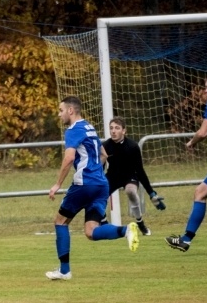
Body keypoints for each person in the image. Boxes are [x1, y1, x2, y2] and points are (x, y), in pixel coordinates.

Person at [46, 96, 140, 280]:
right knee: (90, 231)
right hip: (101, 185)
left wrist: (58, 184)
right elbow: (103, 154)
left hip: (84, 185)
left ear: (70, 111)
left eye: (60, 110)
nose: (59, 114)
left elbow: (69, 158)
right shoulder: (89, 127)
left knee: (60, 221)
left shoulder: (73, 130)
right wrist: (96, 172)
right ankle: (126, 230)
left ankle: (64, 271)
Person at [166, 72, 207, 252]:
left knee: (200, 193)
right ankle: (186, 239)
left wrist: (192, 142)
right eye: (205, 87)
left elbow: (203, 132)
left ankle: (186, 240)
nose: (206, 90)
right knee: (200, 192)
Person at [102, 116, 166, 235]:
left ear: (124, 131)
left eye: (117, 128)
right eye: (111, 128)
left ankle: (140, 223)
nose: (113, 131)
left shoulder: (132, 146)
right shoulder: (105, 146)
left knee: (131, 191)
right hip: (112, 176)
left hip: (129, 176)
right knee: (100, 193)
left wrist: (151, 193)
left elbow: (140, 171)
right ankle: (103, 223)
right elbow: (100, 168)